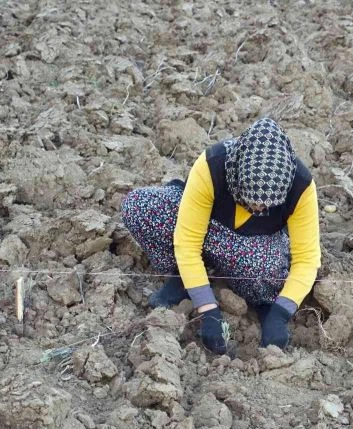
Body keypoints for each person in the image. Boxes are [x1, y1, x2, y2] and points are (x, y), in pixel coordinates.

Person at [121, 118, 321, 354]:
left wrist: (280, 314)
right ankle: (187, 278)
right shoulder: (213, 165)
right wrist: (208, 311)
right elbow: (187, 242)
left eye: (265, 205)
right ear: (236, 176)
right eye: (250, 201)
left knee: (267, 273)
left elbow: (306, 260)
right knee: (140, 207)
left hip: (251, 244)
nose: (257, 209)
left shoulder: (301, 186)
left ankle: (256, 297)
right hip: (205, 225)